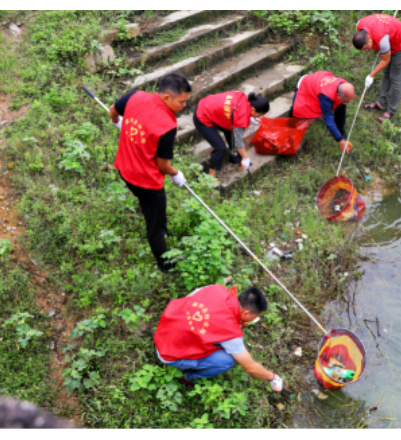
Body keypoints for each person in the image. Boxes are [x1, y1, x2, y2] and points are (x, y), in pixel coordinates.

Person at [109, 73, 190, 274]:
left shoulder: (136, 96)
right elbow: (162, 165)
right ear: (166, 98)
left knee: (155, 212)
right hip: (146, 183)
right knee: (155, 225)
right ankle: (166, 266)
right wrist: (175, 173)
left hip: (124, 168)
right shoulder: (167, 126)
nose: (184, 106)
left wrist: (117, 122)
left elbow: (113, 110)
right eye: (182, 102)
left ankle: (160, 225)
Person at [154, 284, 284, 392]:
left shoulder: (217, 288)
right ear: (246, 312)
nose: (255, 319)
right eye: (255, 316)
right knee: (228, 360)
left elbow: (188, 298)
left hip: (162, 334)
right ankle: (189, 378)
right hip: (169, 355)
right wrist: (272, 377)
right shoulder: (231, 332)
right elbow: (250, 367)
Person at [194, 91, 270, 189]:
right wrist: (245, 157)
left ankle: (235, 156)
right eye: (259, 115)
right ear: (253, 109)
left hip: (207, 105)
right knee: (220, 147)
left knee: (230, 130)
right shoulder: (241, 117)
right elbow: (239, 143)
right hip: (202, 116)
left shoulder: (243, 98)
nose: (259, 118)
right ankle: (210, 178)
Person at [353, 14, 401, 123]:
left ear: (369, 38)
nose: (367, 51)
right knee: (386, 73)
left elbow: (385, 60)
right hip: (389, 37)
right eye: (364, 50)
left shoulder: (382, 40)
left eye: (367, 48)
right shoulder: (360, 25)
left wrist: (371, 75)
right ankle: (381, 103)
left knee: (395, 77)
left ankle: (391, 109)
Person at [291, 71, 356, 154]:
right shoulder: (326, 96)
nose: (348, 104)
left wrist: (341, 134)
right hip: (305, 84)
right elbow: (329, 120)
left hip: (318, 81)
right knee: (299, 110)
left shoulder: (344, 86)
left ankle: (340, 132)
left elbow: (341, 109)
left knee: (341, 104)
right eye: (347, 102)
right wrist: (340, 141)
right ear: (338, 95)